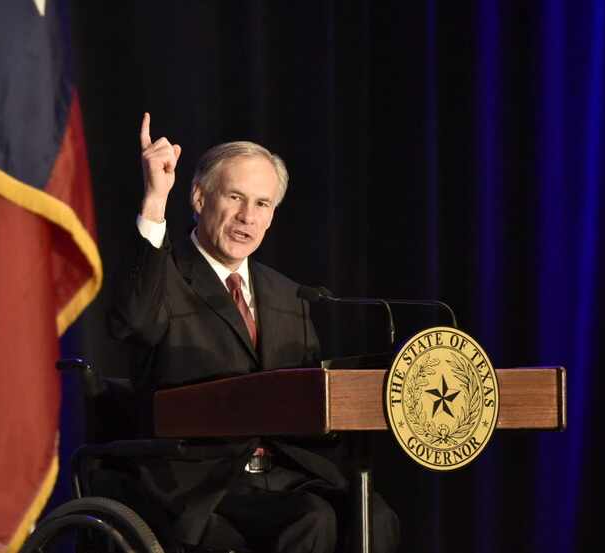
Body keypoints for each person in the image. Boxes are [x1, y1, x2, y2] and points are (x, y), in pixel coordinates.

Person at [108, 113, 399, 553]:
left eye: (262, 204)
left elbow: (308, 403)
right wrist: (154, 200)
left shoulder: (290, 295)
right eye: (235, 197)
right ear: (199, 197)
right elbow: (130, 322)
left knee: (375, 517)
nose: (248, 216)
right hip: (198, 485)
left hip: (286, 475)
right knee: (310, 522)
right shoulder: (162, 277)